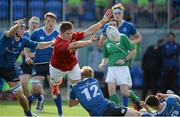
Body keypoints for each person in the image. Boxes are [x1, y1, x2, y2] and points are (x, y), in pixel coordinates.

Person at [49, 9, 112, 116]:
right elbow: (75, 45)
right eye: (67, 34)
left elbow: (89, 31)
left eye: (71, 32)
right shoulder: (59, 43)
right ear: (61, 33)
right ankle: (55, 85)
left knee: (80, 89)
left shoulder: (72, 35)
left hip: (72, 66)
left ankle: (91, 112)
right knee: (55, 85)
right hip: (57, 68)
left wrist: (103, 21)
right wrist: (90, 41)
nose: (70, 35)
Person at [0, 19, 55, 116]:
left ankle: (28, 113)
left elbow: (38, 45)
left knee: (21, 96)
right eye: (20, 28)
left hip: (9, 70)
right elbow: (9, 33)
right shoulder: (7, 36)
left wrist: (51, 42)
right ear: (15, 29)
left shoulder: (24, 40)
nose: (22, 30)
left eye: (23, 28)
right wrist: (17, 25)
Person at [99, 3, 142, 107]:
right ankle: (117, 109)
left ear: (122, 14)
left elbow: (138, 40)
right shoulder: (107, 33)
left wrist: (128, 46)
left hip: (124, 61)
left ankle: (131, 103)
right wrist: (103, 63)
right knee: (111, 88)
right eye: (115, 13)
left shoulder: (126, 30)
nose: (117, 15)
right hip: (111, 63)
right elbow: (102, 48)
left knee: (124, 90)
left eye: (119, 13)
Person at [68, 66, 140, 116]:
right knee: (137, 115)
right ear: (91, 75)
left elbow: (70, 104)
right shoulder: (94, 81)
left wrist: (80, 98)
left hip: (98, 114)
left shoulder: (75, 88)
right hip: (108, 107)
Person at [29, 12, 60, 115]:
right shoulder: (36, 33)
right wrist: (29, 56)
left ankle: (60, 112)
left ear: (55, 22)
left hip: (52, 65)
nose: (50, 23)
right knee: (35, 88)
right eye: (48, 21)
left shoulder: (58, 35)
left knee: (54, 88)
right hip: (38, 64)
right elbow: (27, 45)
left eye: (52, 21)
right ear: (44, 21)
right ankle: (40, 100)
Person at [19, 16, 40, 108]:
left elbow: (41, 51)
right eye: (32, 23)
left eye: (36, 23)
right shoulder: (24, 34)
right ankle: (30, 98)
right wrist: (26, 53)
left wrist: (29, 54)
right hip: (26, 63)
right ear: (29, 24)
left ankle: (40, 99)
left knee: (36, 87)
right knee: (23, 83)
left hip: (37, 63)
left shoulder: (40, 35)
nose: (34, 25)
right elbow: (20, 50)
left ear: (38, 25)